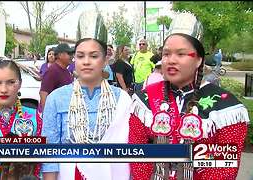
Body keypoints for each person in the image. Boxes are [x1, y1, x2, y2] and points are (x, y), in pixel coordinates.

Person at [129, 12, 249, 179]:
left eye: (181, 54)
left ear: (199, 60)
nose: (171, 60)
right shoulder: (144, 99)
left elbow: (223, 169)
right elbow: (138, 156)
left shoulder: (225, 107)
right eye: (166, 54)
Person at [41, 38, 132, 180]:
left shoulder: (122, 99)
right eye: (80, 56)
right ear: (74, 60)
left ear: (104, 61)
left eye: (94, 56)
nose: (86, 61)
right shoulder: (56, 98)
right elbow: (50, 152)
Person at [39, 43, 74, 111]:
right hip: (55, 113)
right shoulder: (52, 71)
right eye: (69, 54)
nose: (72, 56)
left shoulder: (65, 70)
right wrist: (47, 115)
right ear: (60, 55)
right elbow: (43, 93)